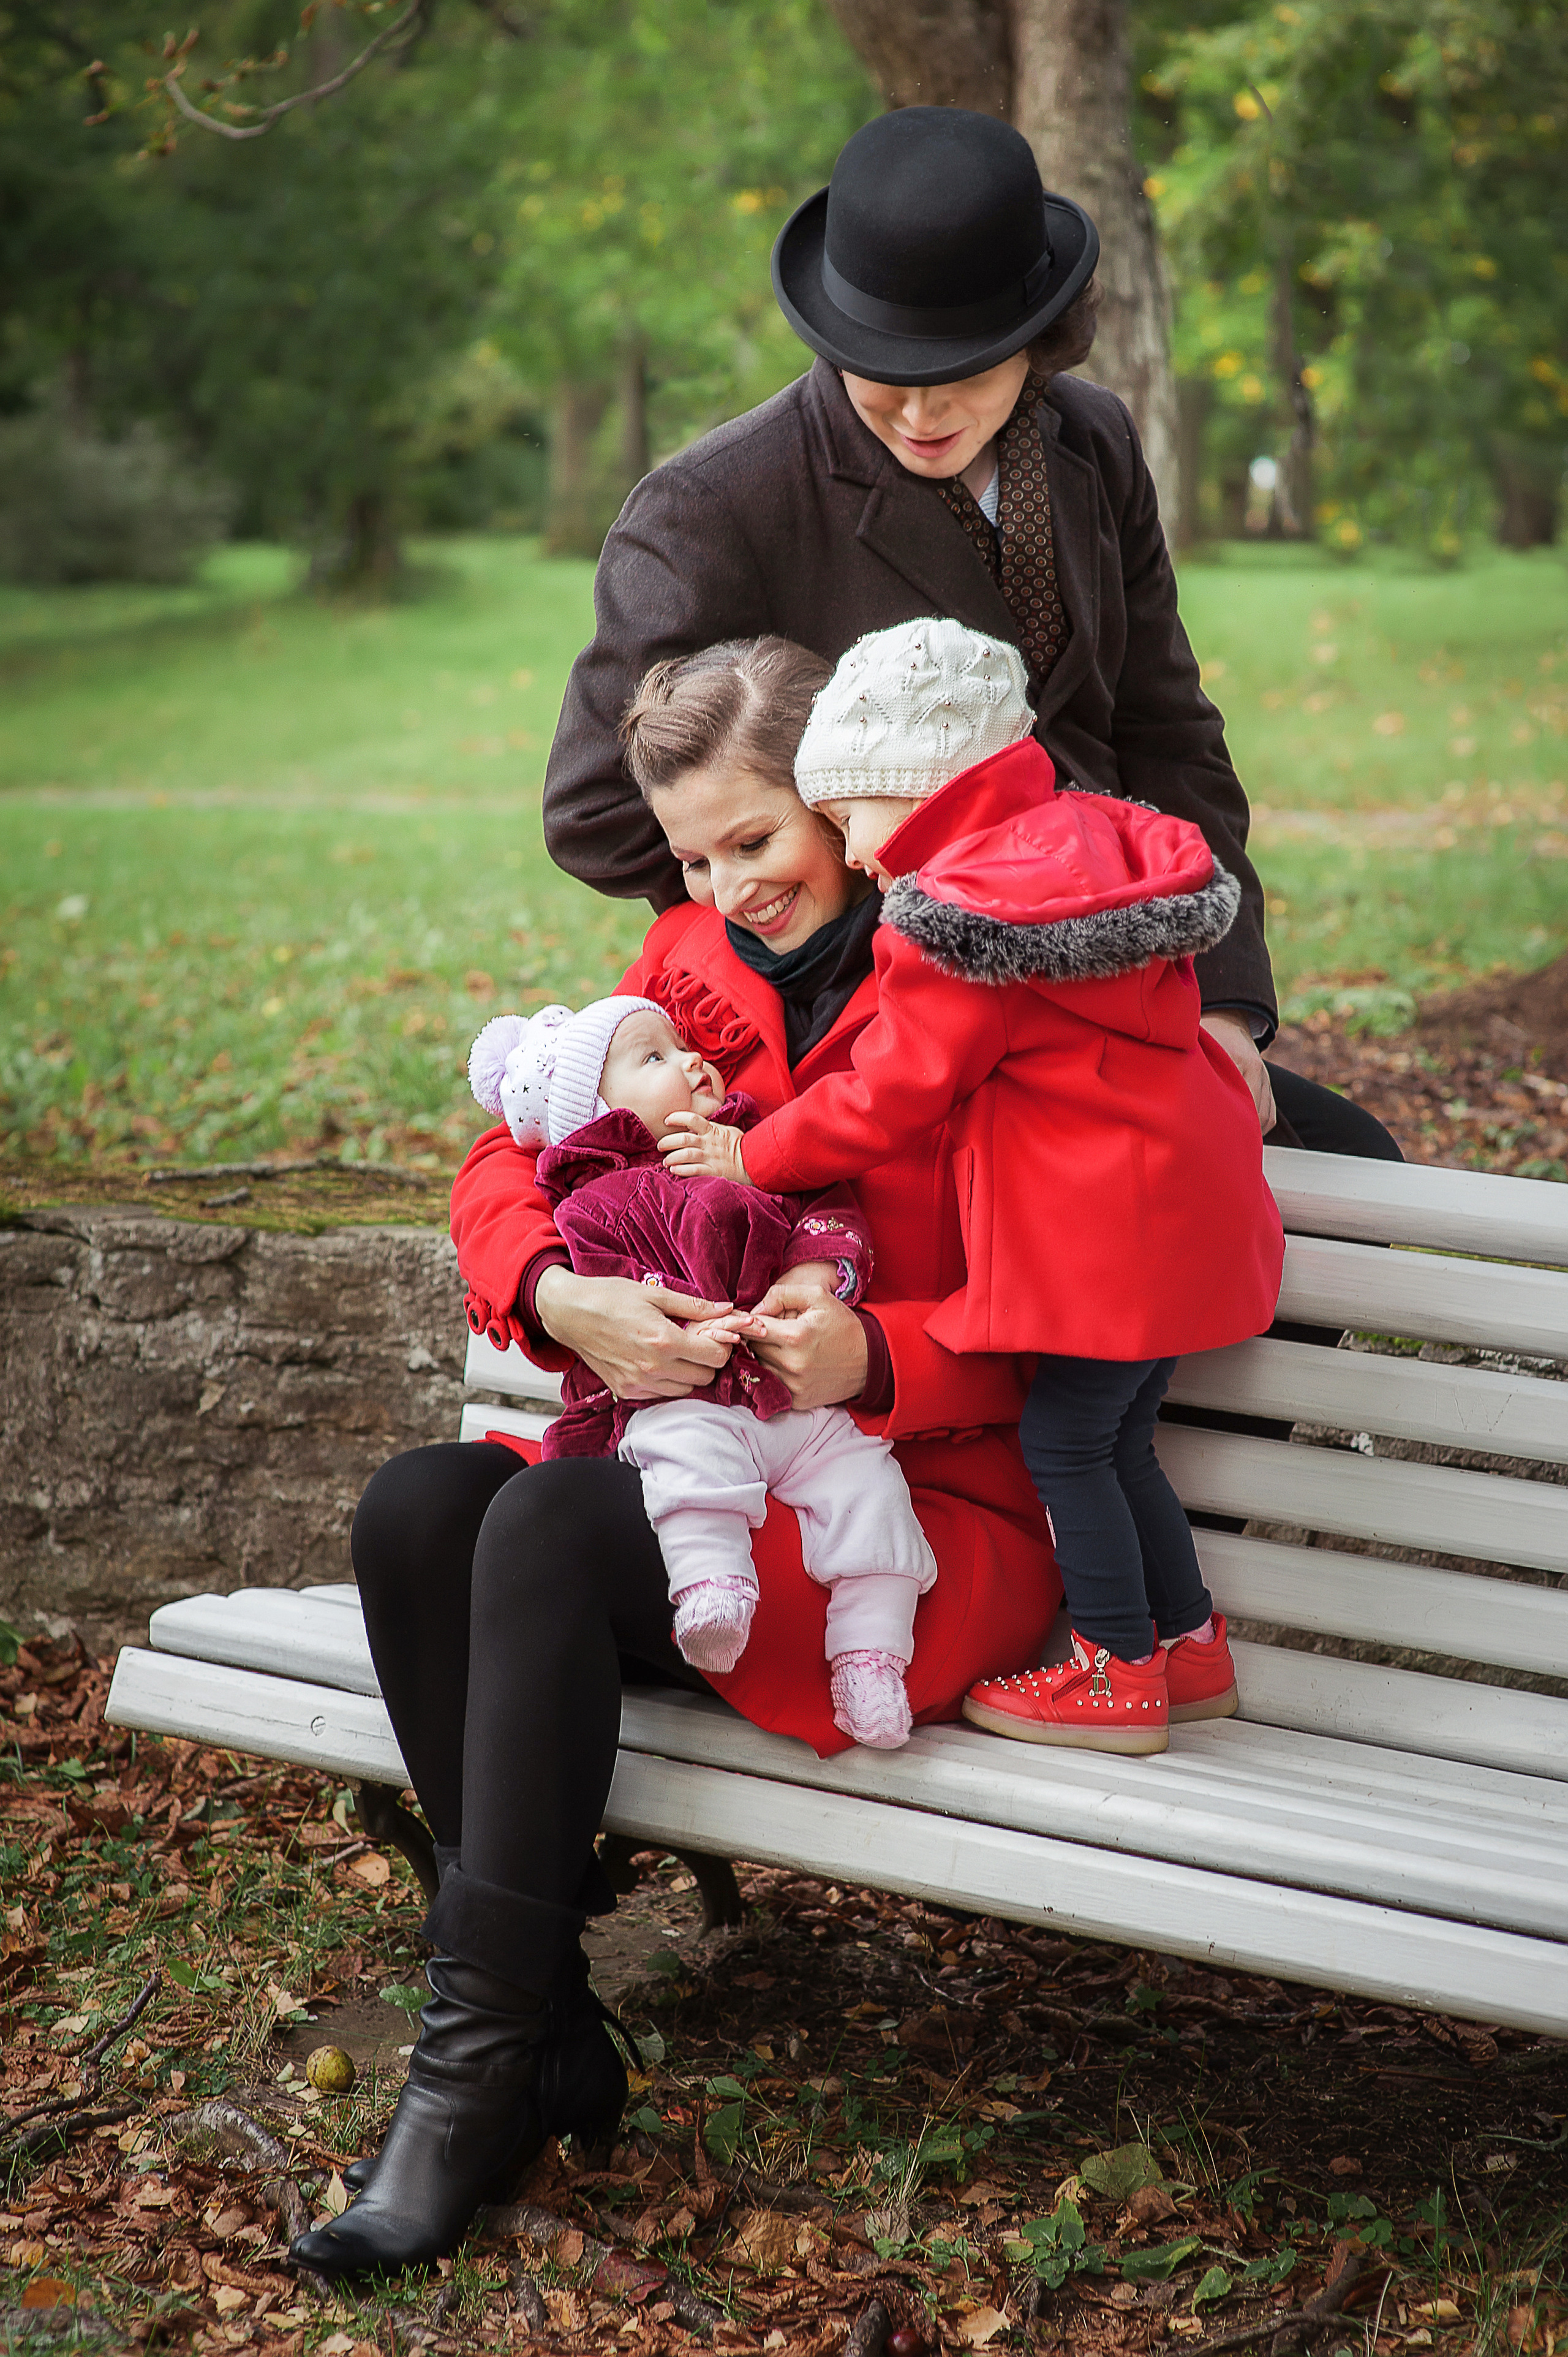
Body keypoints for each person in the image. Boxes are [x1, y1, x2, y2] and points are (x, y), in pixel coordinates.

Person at [292, 634, 1062, 2280]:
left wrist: (881, 1350)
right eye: (695, 853)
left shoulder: (983, 980)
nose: (729, 885)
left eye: (759, 839)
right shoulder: (685, 964)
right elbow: (508, 1165)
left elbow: (1078, 1304)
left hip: (905, 1508)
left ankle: (469, 2067)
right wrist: (563, 1288)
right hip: (705, 1476)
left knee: (560, 1516)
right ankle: (545, 2024)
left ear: (850, 801)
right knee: (424, 1503)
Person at [541, 103, 1402, 1173]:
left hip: (1114, 973)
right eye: (885, 377)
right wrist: (825, 940)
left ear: (1035, 340)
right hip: (894, 1027)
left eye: (963, 375)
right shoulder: (710, 508)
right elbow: (593, 809)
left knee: (1348, 1162)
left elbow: (1167, 731)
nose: (920, 413)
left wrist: (1225, 1009)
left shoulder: (1096, 441)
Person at [666, 619, 1284, 1752]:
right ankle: (1187, 1645)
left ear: (916, 792)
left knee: (1067, 1449)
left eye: (850, 818)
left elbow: (888, 1094)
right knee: (1121, 1442)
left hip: (1102, 1245)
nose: (854, 856)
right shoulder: (1087, 853)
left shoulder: (963, 924)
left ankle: (1114, 1670)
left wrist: (756, 1155)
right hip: (1184, 1220)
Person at [465, 993, 936, 1744]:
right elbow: (616, 1290)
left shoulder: (754, 1143)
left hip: (798, 1396)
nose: (692, 1060)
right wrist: (588, 1301)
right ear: (596, 1114)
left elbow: (827, 1207)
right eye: (654, 1058)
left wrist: (819, 1276)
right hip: (691, 1391)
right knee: (684, 1455)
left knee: (869, 1488)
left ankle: (870, 1656)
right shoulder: (595, 1204)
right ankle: (713, 1588)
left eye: (683, 1047)